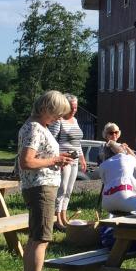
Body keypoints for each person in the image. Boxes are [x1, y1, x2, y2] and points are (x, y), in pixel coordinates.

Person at [16, 90, 75, 271]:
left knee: (35, 238)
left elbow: (37, 157)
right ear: (46, 109)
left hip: (39, 186)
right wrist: (54, 160)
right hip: (41, 188)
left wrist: (57, 159)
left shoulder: (37, 126)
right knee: (41, 239)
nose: (59, 118)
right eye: (57, 114)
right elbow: (26, 161)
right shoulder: (34, 128)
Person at [48, 93, 86, 230]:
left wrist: (82, 158)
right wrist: (58, 158)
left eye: (76, 107)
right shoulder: (58, 121)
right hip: (63, 160)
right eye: (72, 107)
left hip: (74, 160)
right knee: (62, 188)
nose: (74, 110)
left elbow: (77, 142)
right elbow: (51, 140)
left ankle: (64, 216)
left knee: (69, 189)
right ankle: (57, 218)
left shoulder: (75, 120)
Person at [98, 139, 136, 214]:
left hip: (106, 202)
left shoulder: (103, 165)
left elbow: (104, 181)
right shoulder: (129, 158)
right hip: (126, 198)